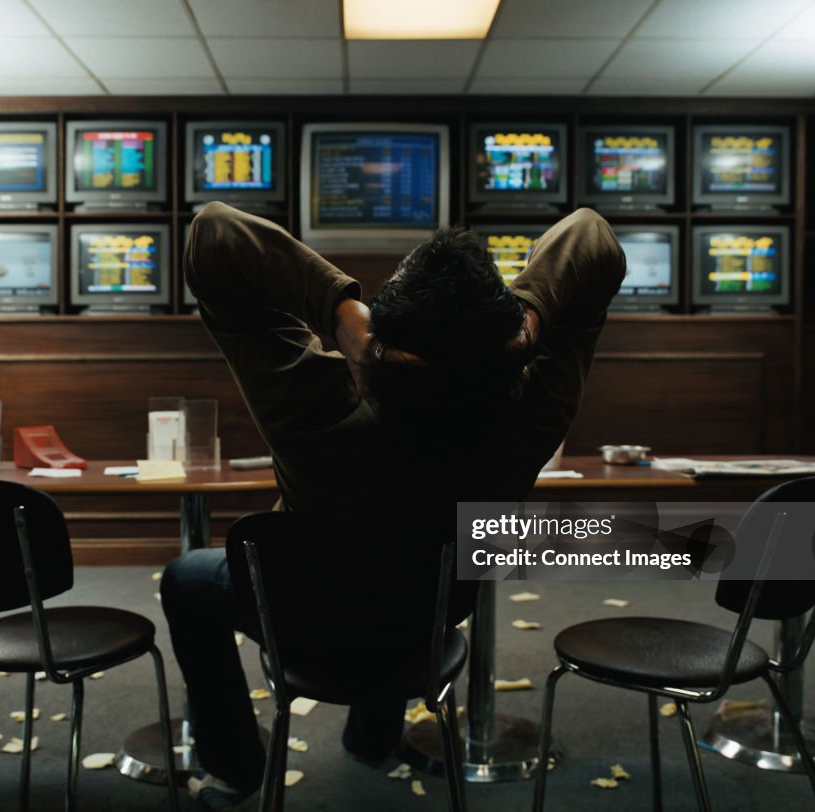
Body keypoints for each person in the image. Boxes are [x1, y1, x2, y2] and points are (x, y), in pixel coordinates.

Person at [161, 202, 625, 810]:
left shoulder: (311, 399)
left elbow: (214, 233)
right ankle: (373, 737)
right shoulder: (530, 417)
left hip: (299, 612)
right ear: (510, 347)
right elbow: (594, 237)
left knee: (187, 578)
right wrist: (531, 318)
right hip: (419, 625)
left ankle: (238, 763)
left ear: (378, 338)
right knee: (399, 566)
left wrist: (339, 312)